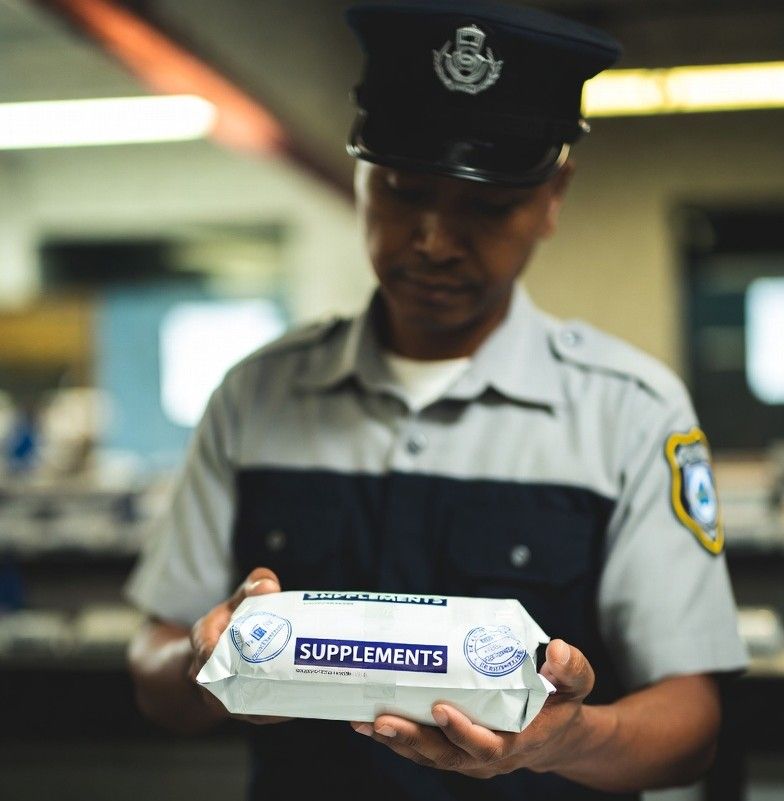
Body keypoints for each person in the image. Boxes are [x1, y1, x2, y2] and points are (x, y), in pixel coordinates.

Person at [125, 2, 749, 800]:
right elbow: (154, 666)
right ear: (360, 176)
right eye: (402, 190)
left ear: (554, 193)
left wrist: (568, 739)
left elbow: (693, 720)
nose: (432, 240)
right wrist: (203, 660)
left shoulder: (630, 410)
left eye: (486, 207)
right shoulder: (257, 396)